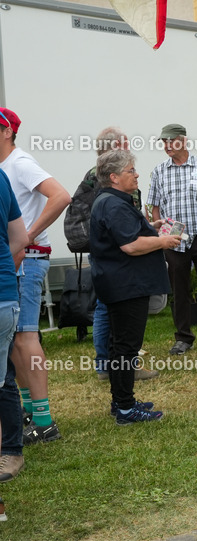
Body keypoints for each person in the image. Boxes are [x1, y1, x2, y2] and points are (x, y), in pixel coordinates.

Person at [0, 107, 71, 445]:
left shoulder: (19, 163)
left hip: (28, 259)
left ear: (7, 131)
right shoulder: (6, 166)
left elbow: (61, 196)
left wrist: (27, 235)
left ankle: (44, 422)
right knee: (15, 339)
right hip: (18, 258)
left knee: (26, 337)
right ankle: (31, 413)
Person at [90, 150, 175, 425]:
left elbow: (128, 235)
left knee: (119, 347)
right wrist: (162, 242)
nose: (136, 174)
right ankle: (126, 409)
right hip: (127, 284)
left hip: (120, 283)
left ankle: (120, 401)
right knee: (126, 348)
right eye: (130, 170)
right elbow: (130, 245)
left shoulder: (109, 201)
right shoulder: (113, 204)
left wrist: (151, 227)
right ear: (114, 177)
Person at [69, 127, 157, 381]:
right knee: (111, 311)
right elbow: (117, 224)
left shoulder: (99, 174)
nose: (129, 149)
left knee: (106, 308)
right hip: (113, 256)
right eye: (124, 145)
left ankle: (110, 364)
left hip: (108, 252)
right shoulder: (102, 178)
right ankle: (114, 365)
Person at [147, 123, 197, 355]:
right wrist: (162, 237)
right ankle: (183, 338)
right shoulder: (160, 171)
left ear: (182, 141)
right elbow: (155, 208)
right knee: (179, 289)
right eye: (163, 142)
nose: (167, 146)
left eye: (170, 141)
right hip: (173, 239)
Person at [0, 168, 29, 480]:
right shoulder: (3, 176)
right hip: (5, 294)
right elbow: (21, 238)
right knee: (5, 377)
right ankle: (11, 452)